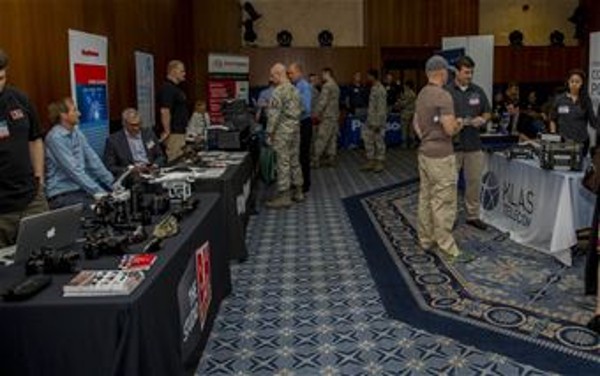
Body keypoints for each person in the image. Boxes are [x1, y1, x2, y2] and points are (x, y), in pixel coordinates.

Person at [414, 55, 468, 262]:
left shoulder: (422, 94)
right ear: (441, 72)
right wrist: (459, 123)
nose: (449, 76)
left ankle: (426, 239)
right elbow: (449, 129)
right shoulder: (443, 96)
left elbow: (416, 125)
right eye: (448, 72)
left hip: (425, 153)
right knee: (443, 202)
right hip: (441, 157)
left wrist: (428, 138)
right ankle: (447, 247)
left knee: (426, 198)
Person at [0, 48, 48, 248]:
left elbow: (35, 139)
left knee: (46, 254)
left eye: (1, 78)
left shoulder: (20, 99)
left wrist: (40, 178)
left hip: (31, 200)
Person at [445, 55, 491, 231]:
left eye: (471, 72)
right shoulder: (447, 92)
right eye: (466, 72)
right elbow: (439, 117)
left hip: (474, 145)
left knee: (474, 182)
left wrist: (482, 119)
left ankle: (473, 215)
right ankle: (450, 217)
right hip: (453, 146)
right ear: (456, 72)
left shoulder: (477, 91)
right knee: (450, 183)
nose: (469, 76)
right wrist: (454, 122)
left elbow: (487, 112)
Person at [45, 97, 114, 209]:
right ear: (63, 115)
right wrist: (101, 193)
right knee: (102, 209)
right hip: (62, 194)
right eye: (75, 110)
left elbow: (93, 160)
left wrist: (113, 184)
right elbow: (74, 171)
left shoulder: (77, 133)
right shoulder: (55, 138)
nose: (79, 113)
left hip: (80, 190)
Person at [265, 63, 303, 209]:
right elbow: (301, 109)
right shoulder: (295, 89)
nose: (271, 78)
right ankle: (298, 191)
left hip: (282, 132)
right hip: (295, 130)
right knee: (294, 160)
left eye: (272, 75)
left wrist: (269, 133)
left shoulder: (278, 91)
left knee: (283, 163)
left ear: (279, 74)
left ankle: (284, 196)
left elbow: (273, 116)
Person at [104, 108, 165, 177]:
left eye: (139, 124)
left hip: (151, 171)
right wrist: (129, 170)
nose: (136, 128)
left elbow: (160, 156)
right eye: (133, 125)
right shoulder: (113, 141)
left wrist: (155, 165)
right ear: (124, 124)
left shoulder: (149, 134)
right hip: (131, 176)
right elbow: (110, 166)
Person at [549, 69, 597, 156]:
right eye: (572, 81)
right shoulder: (560, 99)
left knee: (580, 167)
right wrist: (553, 135)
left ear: (582, 83)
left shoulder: (586, 100)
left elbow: (593, 122)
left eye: (577, 81)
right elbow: (552, 119)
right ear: (568, 82)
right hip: (563, 141)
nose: (574, 84)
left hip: (582, 142)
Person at [287, 63, 313, 193]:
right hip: (297, 124)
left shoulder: (304, 87)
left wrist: (290, 111)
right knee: (297, 155)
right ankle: (299, 182)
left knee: (303, 155)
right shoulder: (295, 86)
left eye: (291, 73)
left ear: (299, 72)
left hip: (304, 124)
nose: (289, 75)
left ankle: (305, 184)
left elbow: (306, 108)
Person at [157, 60, 189, 162]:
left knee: (181, 160)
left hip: (180, 132)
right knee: (175, 161)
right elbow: (165, 110)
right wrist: (167, 130)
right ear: (173, 71)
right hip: (174, 133)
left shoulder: (176, 88)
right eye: (182, 71)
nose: (184, 74)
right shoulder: (167, 88)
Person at [312, 67, 340, 168]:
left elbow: (322, 102)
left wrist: (316, 113)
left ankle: (316, 160)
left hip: (327, 116)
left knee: (322, 137)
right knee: (332, 138)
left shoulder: (327, 86)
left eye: (323, 74)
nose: (322, 76)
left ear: (327, 73)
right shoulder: (336, 85)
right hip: (334, 116)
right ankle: (331, 158)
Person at [361, 69, 387, 173]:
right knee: (368, 139)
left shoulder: (380, 89)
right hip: (370, 120)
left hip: (377, 121)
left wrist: (378, 123)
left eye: (368, 76)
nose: (367, 78)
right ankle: (371, 160)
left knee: (379, 141)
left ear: (372, 76)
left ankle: (380, 161)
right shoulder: (373, 88)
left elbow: (381, 108)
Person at [397, 79, 417, 148]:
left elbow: (404, 103)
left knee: (404, 129)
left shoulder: (408, 93)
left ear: (407, 86)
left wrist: (398, 102)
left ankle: (404, 143)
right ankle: (412, 143)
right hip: (412, 113)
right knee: (411, 129)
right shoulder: (413, 93)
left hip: (406, 113)